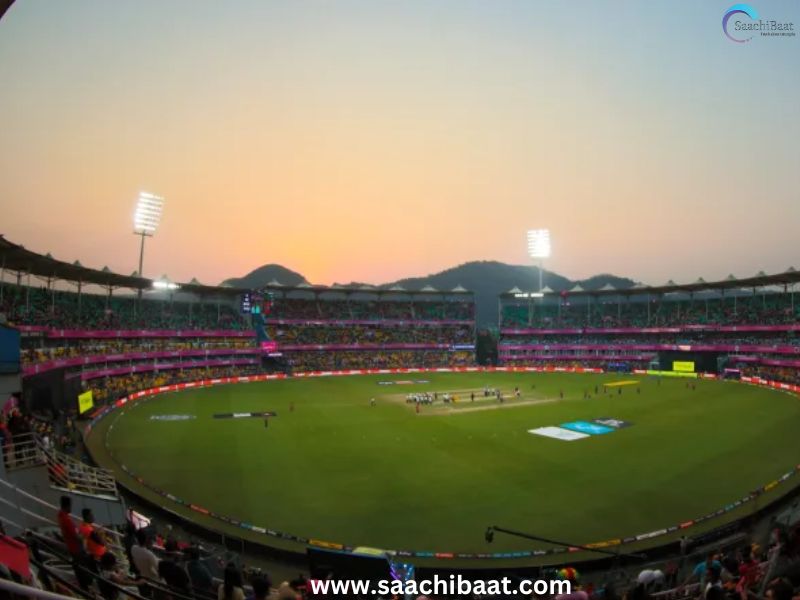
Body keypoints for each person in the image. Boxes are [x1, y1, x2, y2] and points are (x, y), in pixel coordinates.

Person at [57, 496, 94, 590]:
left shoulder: (61, 516)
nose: (71, 508)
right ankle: (86, 589)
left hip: (72, 548)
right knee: (83, 571)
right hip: (77, 549)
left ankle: (85, 587)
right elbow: (77, 537)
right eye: (70, 506)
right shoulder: (67, 520)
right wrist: (84, 535)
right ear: (67, 506)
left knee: (80, 569)